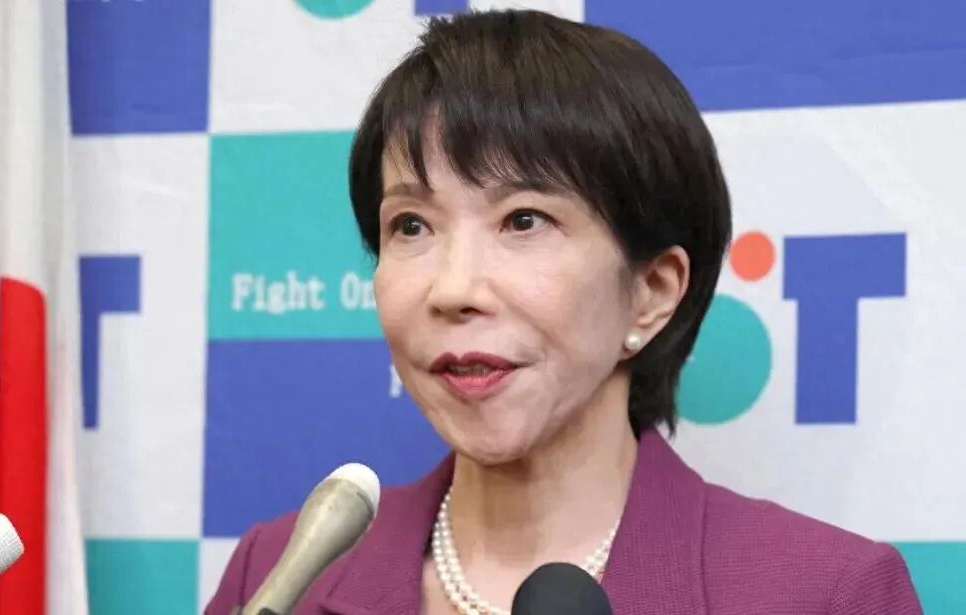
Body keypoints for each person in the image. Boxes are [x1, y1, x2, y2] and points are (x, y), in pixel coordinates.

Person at [207, 9, 922, 615]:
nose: (453, 288)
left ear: (652, 290)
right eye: (412, 225)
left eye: (523, 220)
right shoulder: (279, 573)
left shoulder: (824, 592)